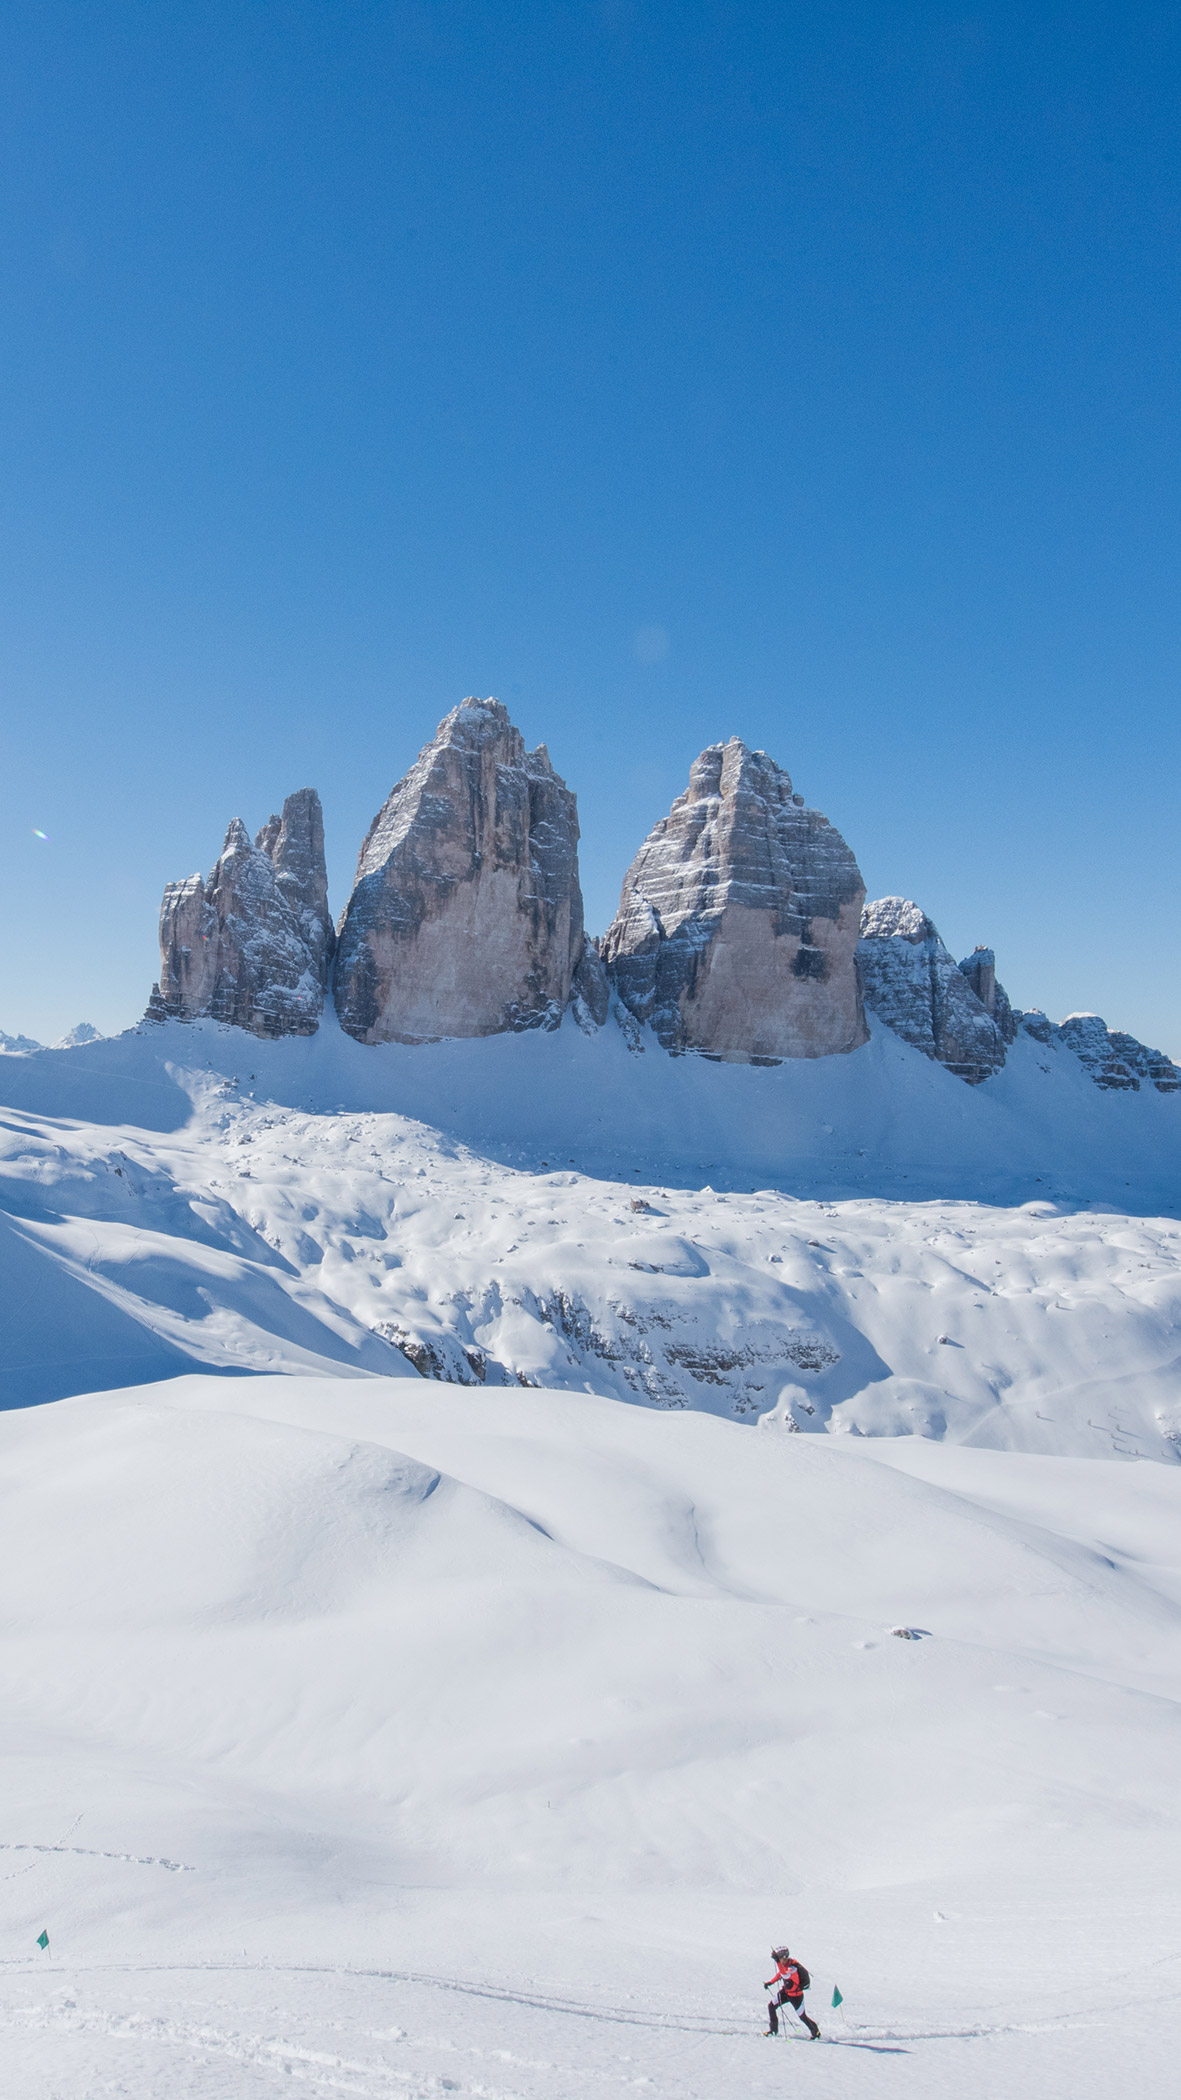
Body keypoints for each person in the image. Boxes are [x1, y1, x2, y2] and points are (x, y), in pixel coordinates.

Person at [763, 1946, 821, 2038]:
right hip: (785, 1993)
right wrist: (770, 1982)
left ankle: (815, 2032)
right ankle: (773, 2030)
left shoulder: (793, 1968)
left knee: (802, 2016)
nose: (779, 1961)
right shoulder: (785, 1966)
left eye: (780, 1958)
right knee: (771, 2006)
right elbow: (780, 1974)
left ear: (785, 1957)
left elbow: (785, 1975)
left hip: (796, 1996)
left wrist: (777, 1962)